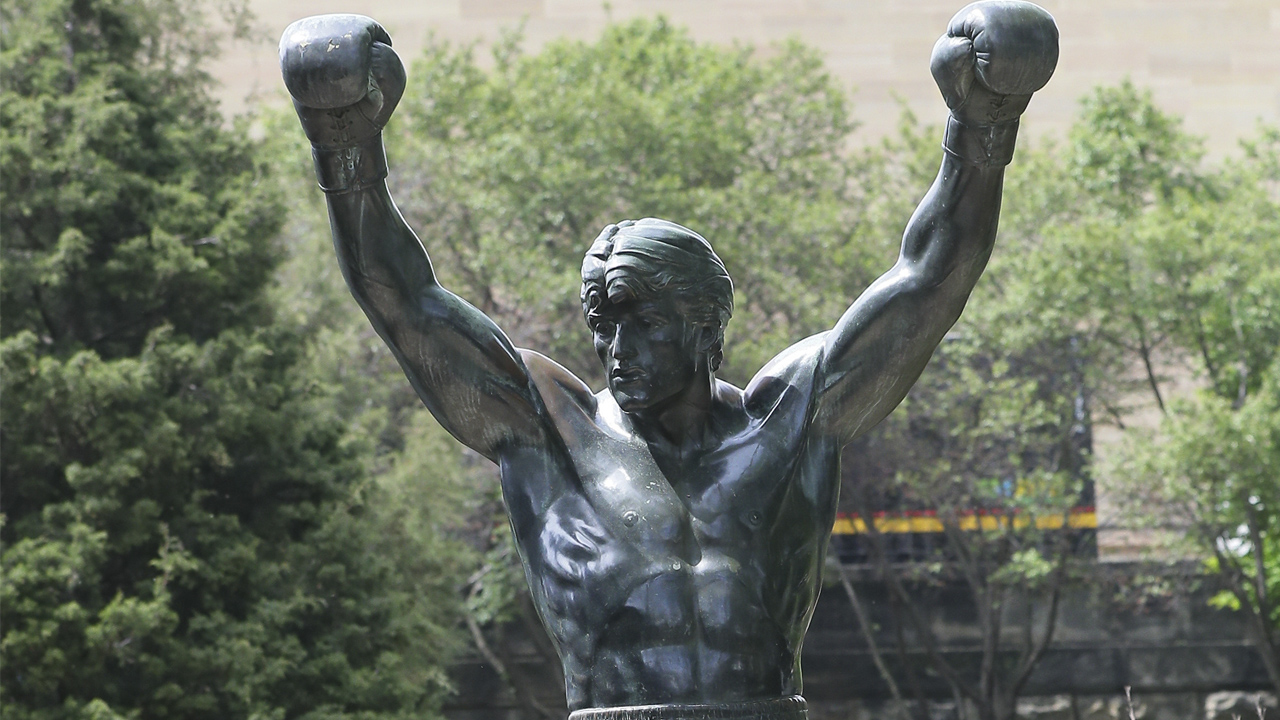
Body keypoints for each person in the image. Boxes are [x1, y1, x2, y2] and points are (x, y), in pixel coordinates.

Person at [279, 3, 1057, 716]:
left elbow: (929, 282)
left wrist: (982, 130)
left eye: (641, 322)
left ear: (703, 322)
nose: (617, 351)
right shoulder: (551, 431)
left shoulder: (787, 424)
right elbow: (405, 304)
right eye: (602, 326)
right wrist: (346, 147)